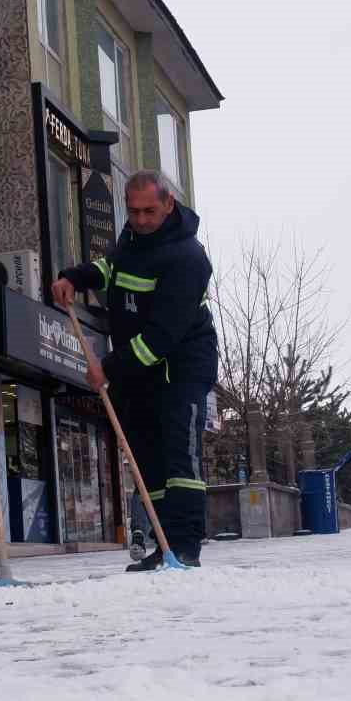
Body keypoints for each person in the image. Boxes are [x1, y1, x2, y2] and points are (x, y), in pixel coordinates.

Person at [52, 171, 218, 571]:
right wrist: (75, 276)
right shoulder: (132, 240)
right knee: (149, 460)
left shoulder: (189, 259)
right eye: (134, 211)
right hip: (139, 371)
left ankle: (185, 547)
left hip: (180, 369)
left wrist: (107, 368)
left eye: (149, 211)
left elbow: (162, 338)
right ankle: (164, 546)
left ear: (168, 205)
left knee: (181, 458)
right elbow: (110, 269)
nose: (141, 220)